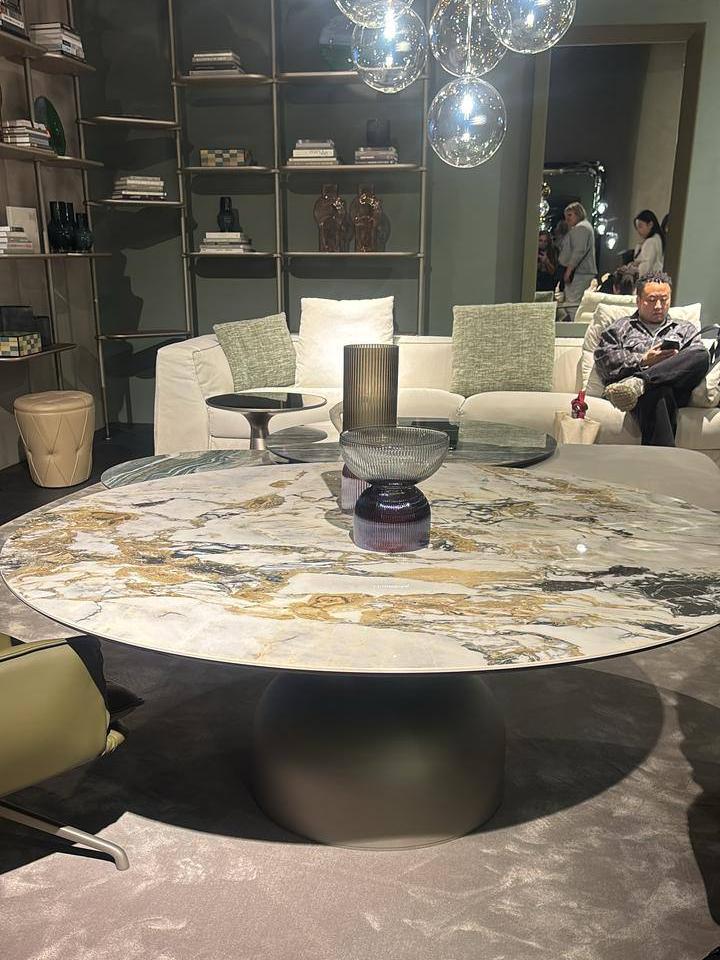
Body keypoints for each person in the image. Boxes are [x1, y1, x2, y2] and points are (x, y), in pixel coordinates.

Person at [594, 271, 709, 446]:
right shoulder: (621, 327)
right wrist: (643, 360)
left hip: (675, 388)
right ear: (638, 300)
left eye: (664, 299)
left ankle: (641, 382)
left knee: (701, 354)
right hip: (635, 396)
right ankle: (661, 463)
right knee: (659, 393)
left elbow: (697, 362)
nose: (658, 306)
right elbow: (605, 359)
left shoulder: (685, 329)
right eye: (652, 299)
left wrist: (671, 364)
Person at [558, 202, 597, 320]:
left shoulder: (582, 228)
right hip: (580, 272)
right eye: (566, 216)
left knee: (572, 303)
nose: (567, 219)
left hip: (579, 273)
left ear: (578, 214)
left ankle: (573, 326)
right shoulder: (583, 227)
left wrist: (569, 270)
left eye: (570, 215)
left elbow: (579, 251)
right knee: (573, 302)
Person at [628, 209, 665, 276]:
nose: (638, 231)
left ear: (650, 225)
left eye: (640, 226)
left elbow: (644, 269)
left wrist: (633, 267)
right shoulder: (657, 239)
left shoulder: (650, 242)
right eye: (637, 228)